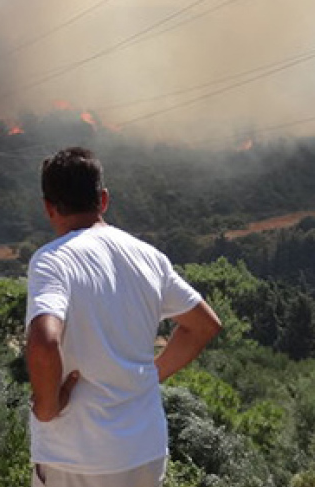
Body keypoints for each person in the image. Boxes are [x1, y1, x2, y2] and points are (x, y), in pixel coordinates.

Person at [25, 147, 222, 487]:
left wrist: (46, 407)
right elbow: (204, 325)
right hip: (144, 450)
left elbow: (43, 341)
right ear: (103, 200)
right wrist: (151, 375)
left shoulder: (52, 262)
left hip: (75, 453)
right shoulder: (149, 257)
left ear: (48, 207)